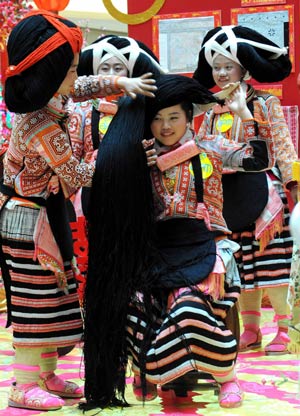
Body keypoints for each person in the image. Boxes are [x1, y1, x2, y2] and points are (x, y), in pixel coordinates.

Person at [81, 73, 275, 411]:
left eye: (174, 117)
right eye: (156, 118)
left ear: (189, 116)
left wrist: (245, 115)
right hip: (158, 252)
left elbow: (259, 160)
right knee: (132, 304)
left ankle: (222, 374)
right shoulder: (138, 156)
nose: (165, 126)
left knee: (187, 304)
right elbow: (101, 187)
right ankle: (156, 366)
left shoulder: (210, 148)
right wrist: (131, 170)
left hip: (206, 246)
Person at [0, 10, 157, 412]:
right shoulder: (42, 127)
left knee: (58, 295)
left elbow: (85, 85)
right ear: (49, 75)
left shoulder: (55, 98)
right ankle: (23, 382)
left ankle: (47, 375)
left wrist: (120, 81)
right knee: (35, 300)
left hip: (48, 215)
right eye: (69, 70)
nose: (77, 77)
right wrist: (125, 157)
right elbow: (80, 172)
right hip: (28, 223)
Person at [193, 25, 297, 355]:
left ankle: (284, 327)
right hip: (229, 199)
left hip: (266, 196)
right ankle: (251, 328)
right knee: (244, 268)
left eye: (228, 66)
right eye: (217, 67)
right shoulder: (210, 109)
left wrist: (295, 188)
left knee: (273, 268)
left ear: (244, 68)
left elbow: (282, 145)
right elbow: (202, 148)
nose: (222, 73)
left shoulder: (266, 103)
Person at [67, 35, 164, 303]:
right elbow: (72, 156)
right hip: (93, 196)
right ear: (95, 73)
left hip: (136, 195)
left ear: (130, 72)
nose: (111, 75)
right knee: (98, 259)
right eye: (105, 69)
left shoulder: (143, 107)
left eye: (117, 69)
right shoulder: (83, 110)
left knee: (136, 257)